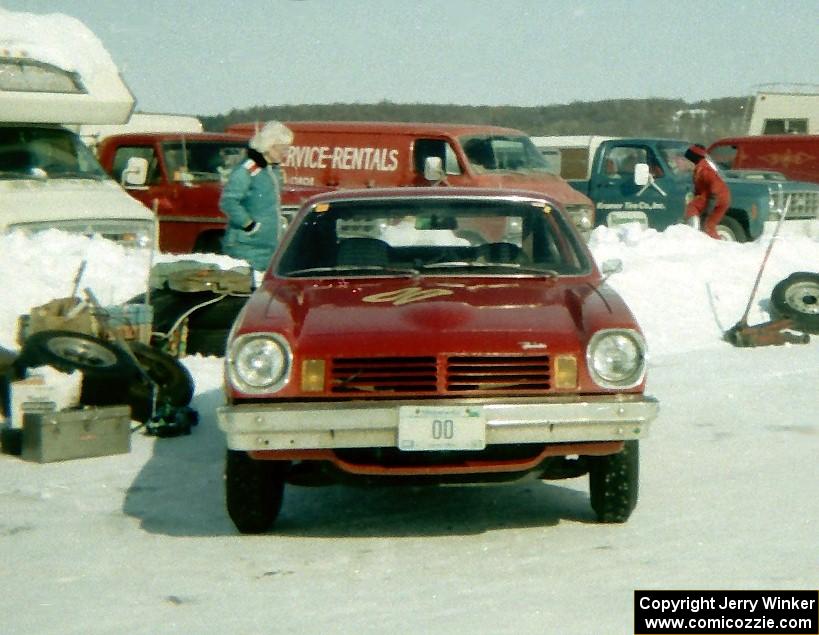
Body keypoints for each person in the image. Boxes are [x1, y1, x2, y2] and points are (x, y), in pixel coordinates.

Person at [219, 121, 293, 271]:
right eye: (282, 149)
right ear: (269, 146)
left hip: (269, 248)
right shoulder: (247, 171)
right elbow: (229, 201)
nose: (285, 154)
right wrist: (249, 225)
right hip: (247, 247)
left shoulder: (272, 171)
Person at [683, 143, 730, 239]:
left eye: (686, 160)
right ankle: (718, 245)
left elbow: (715, 184)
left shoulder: (704, 170)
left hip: (715, 197)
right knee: (708, 226)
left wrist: (711, 203)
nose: (684, 162)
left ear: (692, 160)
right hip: (724, 198)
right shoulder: (700, 168)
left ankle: (692, 232)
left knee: (692, 207)